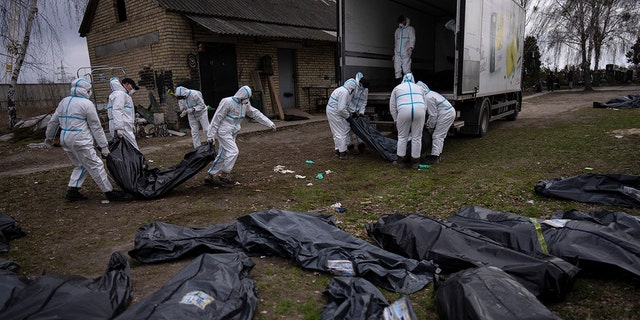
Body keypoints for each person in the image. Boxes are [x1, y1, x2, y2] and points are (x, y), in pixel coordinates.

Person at [44, 78, 128, 202]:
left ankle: (73, 191)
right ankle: (109, 192)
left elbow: (54, 121)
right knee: (96, 164)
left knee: (80, 164)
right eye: (89, 90)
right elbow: (96, 126)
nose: (90, 93)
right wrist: (104, 146)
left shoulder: (64, 102)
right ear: (85, 90)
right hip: (80, 139)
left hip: (65, 139)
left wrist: (49, 137)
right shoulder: (86, 104)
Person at [204, 85, 276, 187]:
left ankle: (210, 176)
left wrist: (269, 123)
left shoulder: (245, 103)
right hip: (224, 131)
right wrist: (210, 135)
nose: (246, 100)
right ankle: (224, 174)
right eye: (244, 98)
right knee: (233, 151)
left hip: (233, 132)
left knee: (223, 153)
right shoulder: (227, 102)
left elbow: (255, 113)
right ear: (240, 96)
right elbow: (217, 118)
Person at [389, 73, 426, 168]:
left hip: (403, 111)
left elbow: (392, 106)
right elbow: (425, 104)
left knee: (402, 137)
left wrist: (395, 119)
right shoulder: (420, 88)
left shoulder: (397, 88)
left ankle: (400, 161)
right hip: (419, 110)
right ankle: (415, 162)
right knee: (417, 137)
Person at [417, 81, 456, 164]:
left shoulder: (428, 98)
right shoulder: (430, 94)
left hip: (446, 114)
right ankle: (436, 155)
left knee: (438, 135)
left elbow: (433, 115)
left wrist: (429, 127)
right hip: (447, 112)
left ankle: (435, 157)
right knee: (439, 135)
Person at [326, 78, 358, 159]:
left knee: (336, 132)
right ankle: (343, 153)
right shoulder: (345, 92)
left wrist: (353, 111)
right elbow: (341, 109)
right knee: (342, 132)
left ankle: (338, 150)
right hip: (335, 112)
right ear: (352, 87)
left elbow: (348, 104)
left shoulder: (342, 89)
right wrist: (348, 117)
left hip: (332, 111)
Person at [108, 77, 139, 150]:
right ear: (127, 84)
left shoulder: (122, 94)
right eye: (132, 87)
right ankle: (137, 160)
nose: (132, 89)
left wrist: (131, 124)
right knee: (132, 147)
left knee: (124, 148)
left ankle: (131, 161)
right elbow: (117, 110)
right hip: (122, 125)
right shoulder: (120, 94)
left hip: (123, 124)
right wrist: (119, 127)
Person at [347, 72, 370, 154]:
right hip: (349, 110)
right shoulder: (353, 87)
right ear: (360, 83)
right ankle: (350, 146)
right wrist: (353, 112)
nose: (364, 89)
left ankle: (361, 145)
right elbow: (348, 101)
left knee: (359, 128)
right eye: (363, 86)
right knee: (348, 128)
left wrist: (361, 112)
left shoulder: (365, 89)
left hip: (357, 111)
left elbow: (364, 101)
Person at [394, 15, 415, 79]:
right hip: (397, 53)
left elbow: (412, 39)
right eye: (399, 22)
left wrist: (411, 48)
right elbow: (396, 42)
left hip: (406, 52)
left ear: (405, 20)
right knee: (397, 70)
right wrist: (394, 53)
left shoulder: (410, 29)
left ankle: (409, 84)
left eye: (402, 21)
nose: (401, 23)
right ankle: (399, 85)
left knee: (406, 70)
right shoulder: (397, 30)